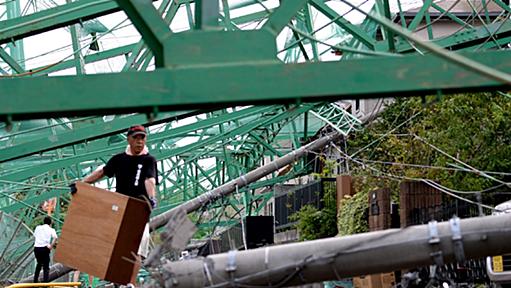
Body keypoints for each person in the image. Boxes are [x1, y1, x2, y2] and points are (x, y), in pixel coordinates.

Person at [72, 125, 157, 259]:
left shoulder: (148, 160)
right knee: (118, 243)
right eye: (136, 138)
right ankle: (119, 277)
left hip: (139, 208)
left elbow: (149, 180)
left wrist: (151, 198)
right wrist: (82, 184)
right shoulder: (119, 159)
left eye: (142, 138)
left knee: (139, 245)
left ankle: (131, 278)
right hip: (120, 206)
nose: (139, 141)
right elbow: (102, 172)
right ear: (128, 139)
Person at [33, 216, 58, 283]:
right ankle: (45, 283)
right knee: (46, 266)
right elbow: (55, 238)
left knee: (39, 264)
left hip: (36, 248)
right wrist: (51, 246)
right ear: (50, 223)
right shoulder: (51, 229)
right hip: (45, 248)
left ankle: (35, 281)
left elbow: (35, 235)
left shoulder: (38, 228)